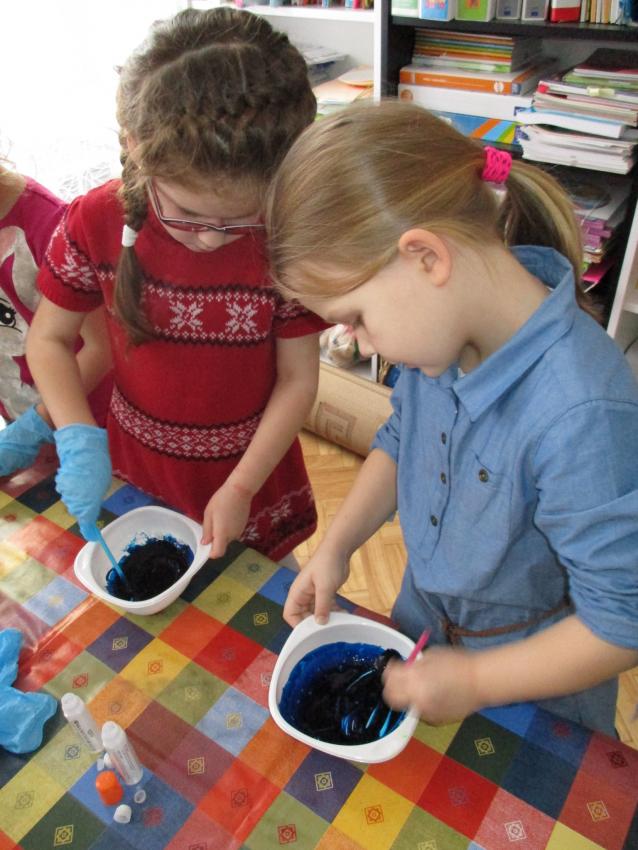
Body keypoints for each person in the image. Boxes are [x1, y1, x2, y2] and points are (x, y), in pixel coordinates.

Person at [264, 99, 638, 735]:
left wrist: (476, 681)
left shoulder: (582, 412)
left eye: (356, 319)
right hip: (424, 633)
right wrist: (338, 545)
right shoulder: (440, 338)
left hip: (534, 691)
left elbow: (621, 622)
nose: (356, 341)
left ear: (426, 258)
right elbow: (401, 439)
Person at [26, 7, 323, 563]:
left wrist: (241, 485)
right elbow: (48, 341)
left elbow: (298, 379)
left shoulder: (289, 235)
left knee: (255, 599)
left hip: (253, 477)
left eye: (241, 219)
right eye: (188, 213)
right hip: (139, 469)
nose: (211, 238)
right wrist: (76, 434)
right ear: (137, 148)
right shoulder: (94, 220)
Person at [0, 165, 112, 475]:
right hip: (18, 414)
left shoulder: (50, 226)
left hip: (85, 423)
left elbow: (103, 347)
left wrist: (35, 425)